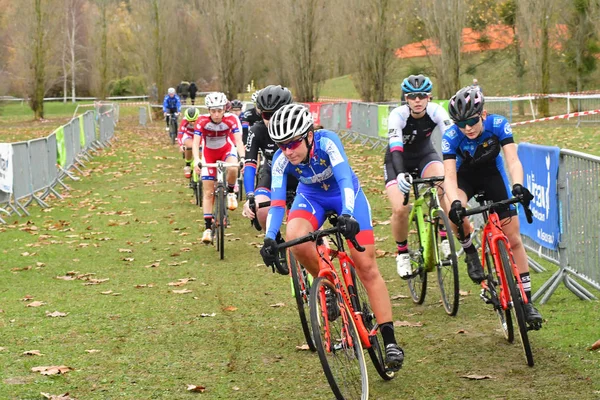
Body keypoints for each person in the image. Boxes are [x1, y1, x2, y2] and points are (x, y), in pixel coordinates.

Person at [259, 104, 405, 371]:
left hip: (344, 195)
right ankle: (328, 285)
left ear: (309, 135)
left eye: (293, 143)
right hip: (311, 197)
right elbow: (278, 204)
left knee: (366, 266)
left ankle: (390, 338)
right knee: (295, 240)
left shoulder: (328, 142)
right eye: (282, 146)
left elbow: (346, 180)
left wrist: (348, 215)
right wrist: (270, 238)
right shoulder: (281, 160)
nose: (288, 151)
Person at [442, 86, 542, 326]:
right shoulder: (451, 136)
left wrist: (517, 185)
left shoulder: (498, 124)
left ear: (483, 114)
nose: (467, 128)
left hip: (492, 178)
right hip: (463, 179)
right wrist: (456, 202)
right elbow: (449, 177)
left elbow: (513, 159)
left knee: (514, 239)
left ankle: (527, 302)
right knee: (454, 211)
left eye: (472, 121)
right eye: (461, 123)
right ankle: (469, 251)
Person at [384, 74, 454, 279]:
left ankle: (443, 237)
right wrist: (401, 174)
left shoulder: (436, 111)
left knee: (443, 183)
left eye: (421, 96)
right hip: (398, 160)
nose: (417, 100)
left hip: (425, 156)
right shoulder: (398, 115)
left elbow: (450, 138)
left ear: (429, 97)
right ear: (405, 98)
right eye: (412, 96)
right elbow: (396, 149)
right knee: (400, 209)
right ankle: (403, 254)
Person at [242, 85, 298, 232]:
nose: (272, 119)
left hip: (301, 177)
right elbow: (249, 164)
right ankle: (275, 245)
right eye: (267, 115)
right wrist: (250, 196)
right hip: (271, 175)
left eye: (277, 114)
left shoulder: (299, 127)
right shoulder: (257, 130)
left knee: (310, 227)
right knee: (261, 209)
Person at [192, 92, 245, 244]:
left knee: (233, 168)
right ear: (208, 110)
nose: (216, 114)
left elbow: (238, 141)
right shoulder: (201, 121)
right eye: (213, 111)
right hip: (208, 154)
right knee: (208, 192)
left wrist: (242, 158)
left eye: (219, 110)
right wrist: (196, 160)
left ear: (224, 109)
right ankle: (208, 228)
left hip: (226, 151)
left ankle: (230, 192)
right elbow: (196, 143)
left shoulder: (231, 119)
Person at [178, 107, 200, 178]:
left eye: (194, 120)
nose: (192, 122)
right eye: (190, 121)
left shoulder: (201, 120)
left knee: (201, 150)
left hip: (200, 136)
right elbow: (180, 134)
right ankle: (188, 165)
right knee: (190, 146)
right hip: (189, 135)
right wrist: (181, 145)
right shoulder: (184, 121)